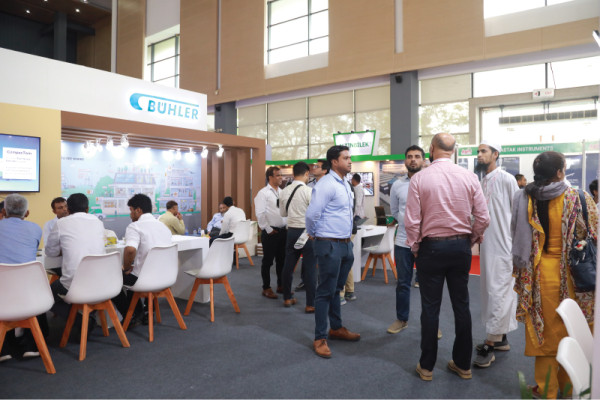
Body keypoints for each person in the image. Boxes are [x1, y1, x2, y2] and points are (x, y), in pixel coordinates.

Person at [511, 151, 598, 399]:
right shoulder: (578, 197)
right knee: (572, 329)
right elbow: (593, 232)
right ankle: (570, 386)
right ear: (559, 172)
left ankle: (546, 388)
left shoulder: (525, 197)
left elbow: (515, 233)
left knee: (546, 333)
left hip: (540, 275)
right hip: (575, 274)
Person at [405, 133, 489, 381]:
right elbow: (483, 217)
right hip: (460, 247)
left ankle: (427, 367)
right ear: (453, 150)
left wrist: (415, 247)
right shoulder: (469, 177)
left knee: (430, 307)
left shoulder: (419, 178)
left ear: (431, 149)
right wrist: (471, 239)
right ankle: (463, 365)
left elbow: (412, 221)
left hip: (431, 248)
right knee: (461, 305)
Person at [306, 145, 360, 358]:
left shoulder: (345, 183)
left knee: (337, 289)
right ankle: (320, 337)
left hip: (345, 244)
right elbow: (312, 214)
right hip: (329, 243)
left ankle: (336, 328)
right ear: (335, 162)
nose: (350, 161)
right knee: (325, 292)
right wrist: (313, 233)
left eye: (349, 157)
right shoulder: (326, 184)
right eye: (346, 158)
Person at [473, 140, 519, 368]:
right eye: (478, 152)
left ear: (495, 154)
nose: (479, 155)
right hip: (488, 246)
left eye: (484, 151)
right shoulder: (482, 181)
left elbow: (518, 213)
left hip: (505, 247)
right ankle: (501, 339)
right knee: (491, 291)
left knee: (499, 291)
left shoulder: (507, 179)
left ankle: (490, 344)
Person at [0, 194, 46, 362]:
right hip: (29, 295)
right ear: (27, 213)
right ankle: (31, 346)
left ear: (4, 211)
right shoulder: (35, 229)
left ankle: (3, 349)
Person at [46, 193, 105, 322]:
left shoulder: (61, 223)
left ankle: (80, 321)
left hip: (73, 284)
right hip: (102, 283)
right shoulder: (98, 222)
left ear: (68, 209)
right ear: (87, 209)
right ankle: (87, 316)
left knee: (46, 296)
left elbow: (51, 252)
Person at [113, 194, 172, 321]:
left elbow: (130, 250)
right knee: (133, 273)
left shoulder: (135, 226)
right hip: (166, 278)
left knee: (114, 277)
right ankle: (143, 312)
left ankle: (131, 315)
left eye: (131, 210)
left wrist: (126, 268)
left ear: (138, 210)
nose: (130, 215)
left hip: (145, 280)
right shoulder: (163, 227)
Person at [387, 145, 426, 335]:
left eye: (417, 156)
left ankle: (430, 323)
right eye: (409, 156)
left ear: (423, 160)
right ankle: (402, 319)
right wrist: (406, 223)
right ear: (405, 160)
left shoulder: (430, 182)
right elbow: (394, 211)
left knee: (428, 285)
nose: (413, 159)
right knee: (403, 283)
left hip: (427, 242)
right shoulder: (397, 185)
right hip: (403, 241)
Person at [279, 161, 317, 312]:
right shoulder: (309, 191)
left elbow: (283, 213)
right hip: (307, 232)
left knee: (288, 266)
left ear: (293, 173)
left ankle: (287, 298)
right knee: (310, 268)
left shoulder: (284, 191)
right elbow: (314, 214)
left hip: (291, 231)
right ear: (307, 173)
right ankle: (310, 304)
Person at [297, 159, 330, 293]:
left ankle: (323, 285)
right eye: (314, 166)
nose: (313, 168)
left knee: (323, 258)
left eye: (317, 166)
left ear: (325, 170)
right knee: (308, 256)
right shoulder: (309, 186)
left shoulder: (329, 185)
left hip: (324, 227)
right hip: (309, 226)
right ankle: (305, 281)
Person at [254, 166, 287, 299]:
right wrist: (268, 229)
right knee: (267, 261)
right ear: (270, 177)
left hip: (283, 231)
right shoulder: (263, 193)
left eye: (281, 175)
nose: (281, 178)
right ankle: (266, 288)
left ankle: (281, 285)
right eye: (278, 175)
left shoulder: (282, 192)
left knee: (282, 261)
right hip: (271, 233)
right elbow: (260, 213)